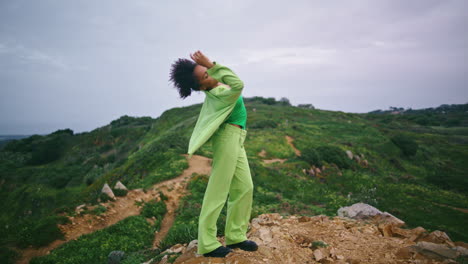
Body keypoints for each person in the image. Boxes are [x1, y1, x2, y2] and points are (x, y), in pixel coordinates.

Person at [169, 50, 258, 257]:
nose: (211, 73)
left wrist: (211, 66)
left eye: (209, 70)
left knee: (245, 187)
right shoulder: (219, 95)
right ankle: (208, 243)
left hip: (237, 138)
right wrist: (211, 63)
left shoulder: (218, 87)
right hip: (227, 139)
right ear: (202, 86)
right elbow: (239, 84)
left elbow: (230, 82)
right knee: (218, 190)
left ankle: (236, 235)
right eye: (207, 74)